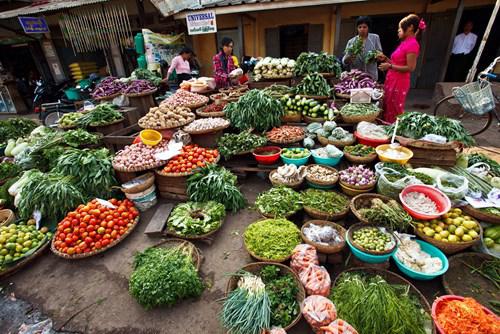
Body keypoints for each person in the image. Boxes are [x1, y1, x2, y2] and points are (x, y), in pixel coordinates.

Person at [378, 14, 425, 123]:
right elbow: (396, 63)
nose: (398, 31)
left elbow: (410, 67)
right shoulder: (404, 43)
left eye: (400, 28)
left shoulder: (413, 44)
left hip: (399, 82)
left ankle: (393, 133)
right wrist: (386, 59)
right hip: (392, 80)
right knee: (387, 106)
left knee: (394, 109)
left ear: (410, 28)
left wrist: (390, 66)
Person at [342, 16, 383, 81]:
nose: (362, 29)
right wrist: (348, 59)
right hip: (356, 76)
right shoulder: (351, 41)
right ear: (357, 28)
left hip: (371, 75)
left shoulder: (375, 38)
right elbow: (344, 60)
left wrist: (377, 57)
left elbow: (380, 53)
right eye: (360, 27)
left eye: (364, 27)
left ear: (368, 28)